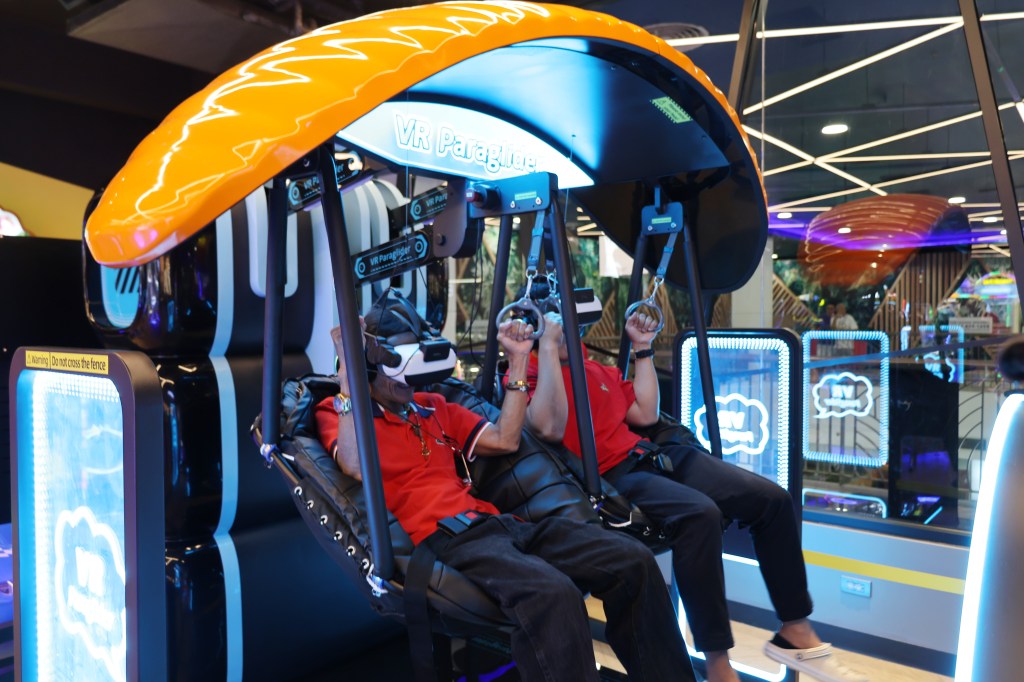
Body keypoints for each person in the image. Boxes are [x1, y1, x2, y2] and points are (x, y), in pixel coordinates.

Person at [314, 290, 695, 682]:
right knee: (554, 594)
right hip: (447, 540)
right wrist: (349, 377)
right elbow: (353, 465)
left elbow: (506, 439)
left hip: (501, 525)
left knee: (632, 559)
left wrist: (518, 360)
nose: (409, 380)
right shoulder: (339, 411)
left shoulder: (432, 406)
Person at [519, 297, 868, 682]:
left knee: (772, 500)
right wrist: (547, 348)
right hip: (609, 477)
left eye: (568, 324)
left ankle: (795, 629)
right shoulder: (531, 375)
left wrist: (642, 347)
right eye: (556, 324)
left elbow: (646, 414)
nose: (566, 330)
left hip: (654, 455)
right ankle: (718, 665)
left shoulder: (597, 369)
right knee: (700, 514)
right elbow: (548, 427)